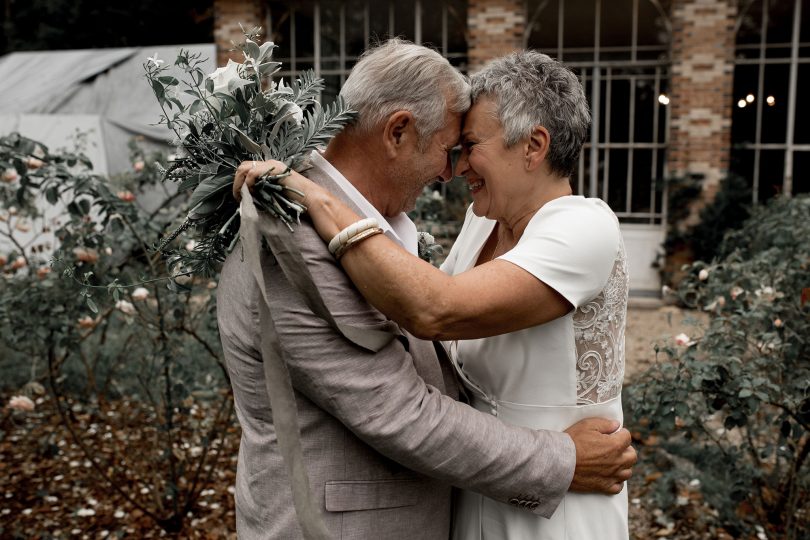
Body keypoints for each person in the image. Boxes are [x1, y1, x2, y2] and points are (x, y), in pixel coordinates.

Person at [222, 40, 634, 539]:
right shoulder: (293, 234)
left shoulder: (582, 227)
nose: (453, 171)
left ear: (533, 145)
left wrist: (322, 201)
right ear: (398, 131)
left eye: (470, 147)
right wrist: (559, 459)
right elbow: (402, 401)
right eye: (450, 148)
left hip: (550, 511)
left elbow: (435, 309)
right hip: (462, 498)